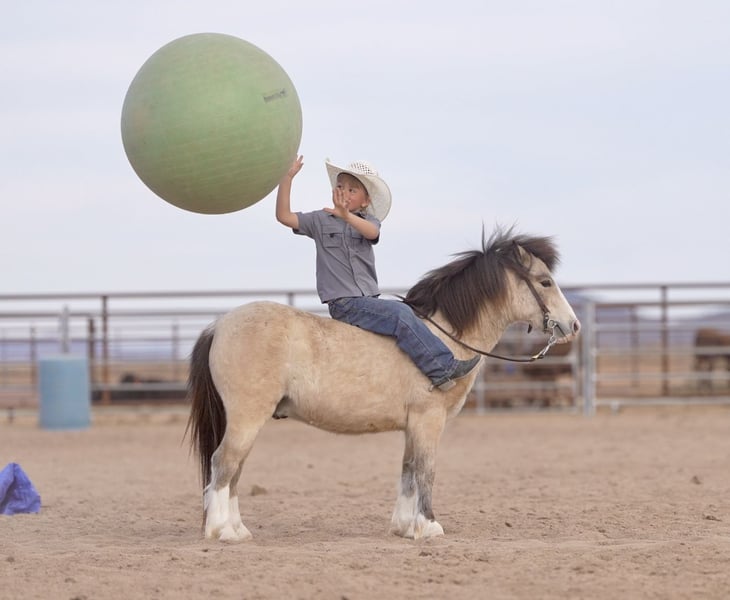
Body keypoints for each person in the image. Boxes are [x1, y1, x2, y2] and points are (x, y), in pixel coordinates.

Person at [275, 155, 480, 391]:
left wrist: (346, 217)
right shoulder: (320, 220)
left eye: (352, 190)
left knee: (408, 313)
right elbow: (284, 216)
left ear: (365, 201)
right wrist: (287, 178)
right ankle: (442, 368)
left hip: (368, 300)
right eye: (340, 186)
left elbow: (372, 233)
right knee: (400, 314)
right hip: (344, 302)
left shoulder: (369, 221)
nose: (344, 192)